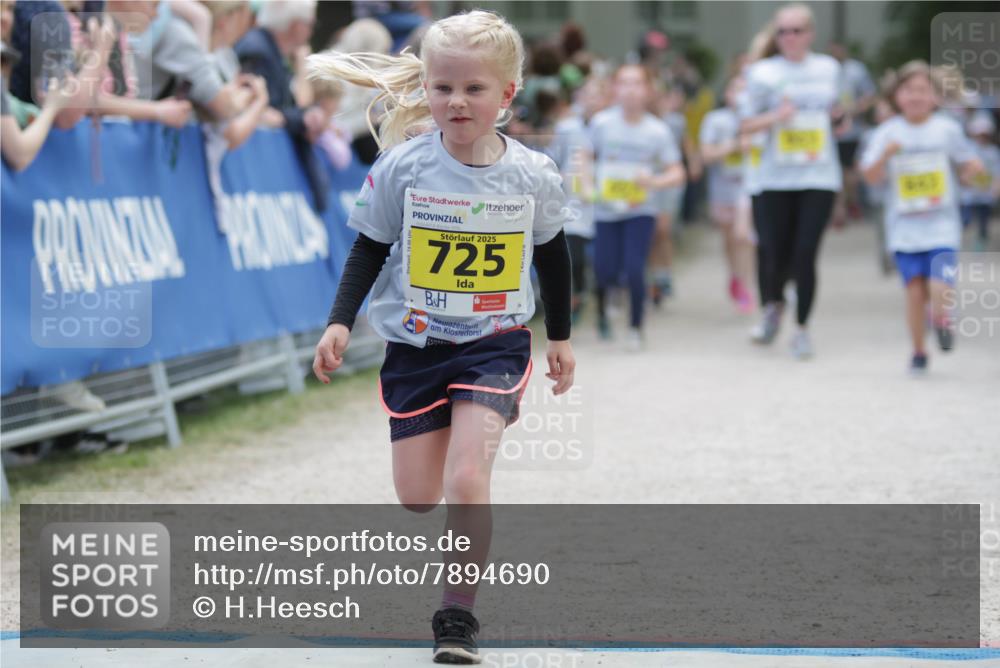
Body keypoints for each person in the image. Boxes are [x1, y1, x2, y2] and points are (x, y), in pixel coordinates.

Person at [308, 9, 576, 664]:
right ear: (425, 89)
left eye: (474, 89)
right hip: (416, 347)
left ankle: (457, 618)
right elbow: (368, 249)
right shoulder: (403, 167)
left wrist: (560, 338)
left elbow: (553, 255)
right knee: (419, 498)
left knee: (466, 480)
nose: (456, 101)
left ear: (507, 95)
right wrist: (339, 320)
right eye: (443, 87)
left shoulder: (531, 175)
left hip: (494, 343)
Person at [859, 61, 983, 374]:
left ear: (935, 96)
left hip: (942, 223)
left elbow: (968, 163)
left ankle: (942, 318)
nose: (915, 97)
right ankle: (917, 351)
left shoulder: (947, 129)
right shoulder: (886, 133)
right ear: (896, 95)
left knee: (940, 285)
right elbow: (870, 177)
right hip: (904, 228)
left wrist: (976, 173)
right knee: (914, 291)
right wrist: (886, 155)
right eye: (909, 90)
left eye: (922, 90)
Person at [740, 3, 845, 359]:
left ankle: (801, 329)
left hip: (819, 175)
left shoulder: (829, 69)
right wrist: (775, 116)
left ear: (811, 34)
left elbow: (840, 123)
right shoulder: (762, 72)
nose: (789, 37)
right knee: (773, 253)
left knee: (805, 254)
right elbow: (745, 124)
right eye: (783, 31)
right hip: (774, 178)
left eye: (797, 30)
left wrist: (839, 116)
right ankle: (772, 307)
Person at [588, 64, 685, 349]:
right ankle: (603, 314)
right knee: (604, 270)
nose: (630, 89)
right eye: (624, 83)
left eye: (637, 83)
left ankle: (635, 327)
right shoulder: (602, 123)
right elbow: (584, 157)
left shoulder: (657, 130)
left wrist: (654, 181)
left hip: (640, 210)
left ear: (647, 90)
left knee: (634, 268)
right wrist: (588, 185)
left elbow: (677, 171)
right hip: (606, 209)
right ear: (615, 89)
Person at [700, 76, 755, 313]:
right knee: (729, 238)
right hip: (723, 186)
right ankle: (735, 275)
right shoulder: (715, 120)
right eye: (736, 90)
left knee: (744, 235)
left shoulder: (758, 118)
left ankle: (747, 286)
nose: (740, 96)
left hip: (750, 184)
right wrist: (732, 146)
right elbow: (706, 154)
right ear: (727, 94)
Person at [960, 114, 1000, 251]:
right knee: (966, 218)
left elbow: (996, 170)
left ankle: (982, 239)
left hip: (985, 192)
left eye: (984, 134)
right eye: (978, 134)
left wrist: (996, 185)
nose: (981, 137)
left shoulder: (993, 151)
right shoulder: (966, 148)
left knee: (984, 218)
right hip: (969, 192)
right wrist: (964, 178)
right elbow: (961, 167)